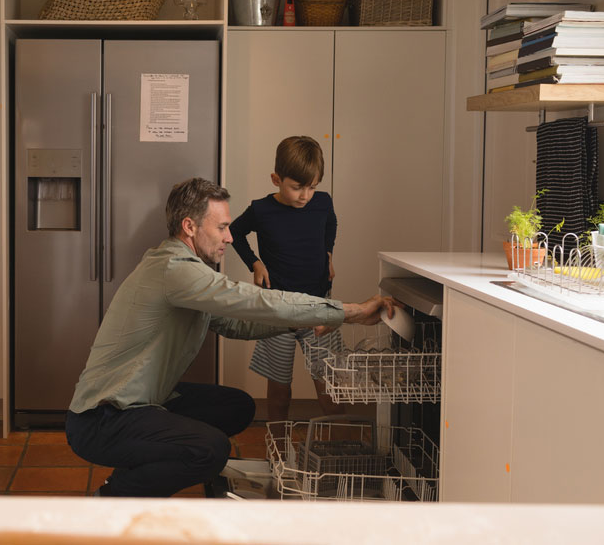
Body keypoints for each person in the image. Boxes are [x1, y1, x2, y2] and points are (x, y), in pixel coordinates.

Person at [64, 177, 395, 497]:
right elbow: (256, 301)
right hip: (102, 418)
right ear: (190, 227)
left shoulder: (184, 270)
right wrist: (348, 311)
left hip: (146, 401)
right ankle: (113, 498)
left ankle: (141, 463)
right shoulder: (175, 270)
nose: (230, 237)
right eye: (222, 227)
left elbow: (235, 325)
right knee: (211, 450)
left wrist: (301, 325)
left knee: (236, 408)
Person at [229, 135, 344, 422]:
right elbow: (235, 232)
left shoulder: (322, 203)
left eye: (312, 187)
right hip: (277, 311)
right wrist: (254, 263)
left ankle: (336, 453)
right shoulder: (261, 210)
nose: (305, 195)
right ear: (276, 179)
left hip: (318, 306)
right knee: (279, 393)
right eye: (297, 187)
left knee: (330, 390)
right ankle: (277, 452)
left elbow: (331, 222)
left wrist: (328, 252)